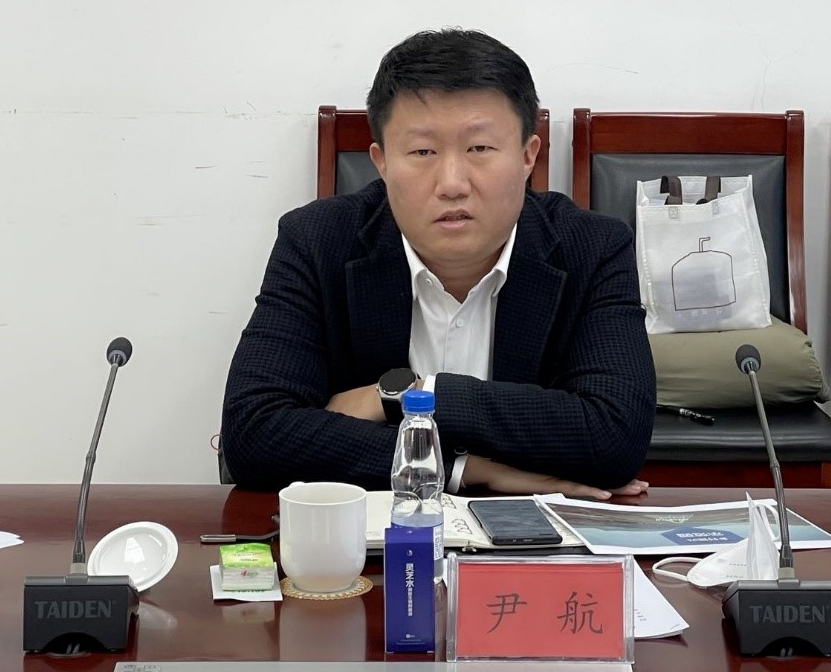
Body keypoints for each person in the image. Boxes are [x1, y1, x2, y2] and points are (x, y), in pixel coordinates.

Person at [221, 28, 655, 499]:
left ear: (528, 156)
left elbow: (614, 437)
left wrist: (405, 394)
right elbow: (254, 435)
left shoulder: (593, 248)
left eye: (479, 148)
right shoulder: (317, 240)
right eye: (422, 152)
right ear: (382, 162)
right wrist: (462, 469)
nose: (451, 184)